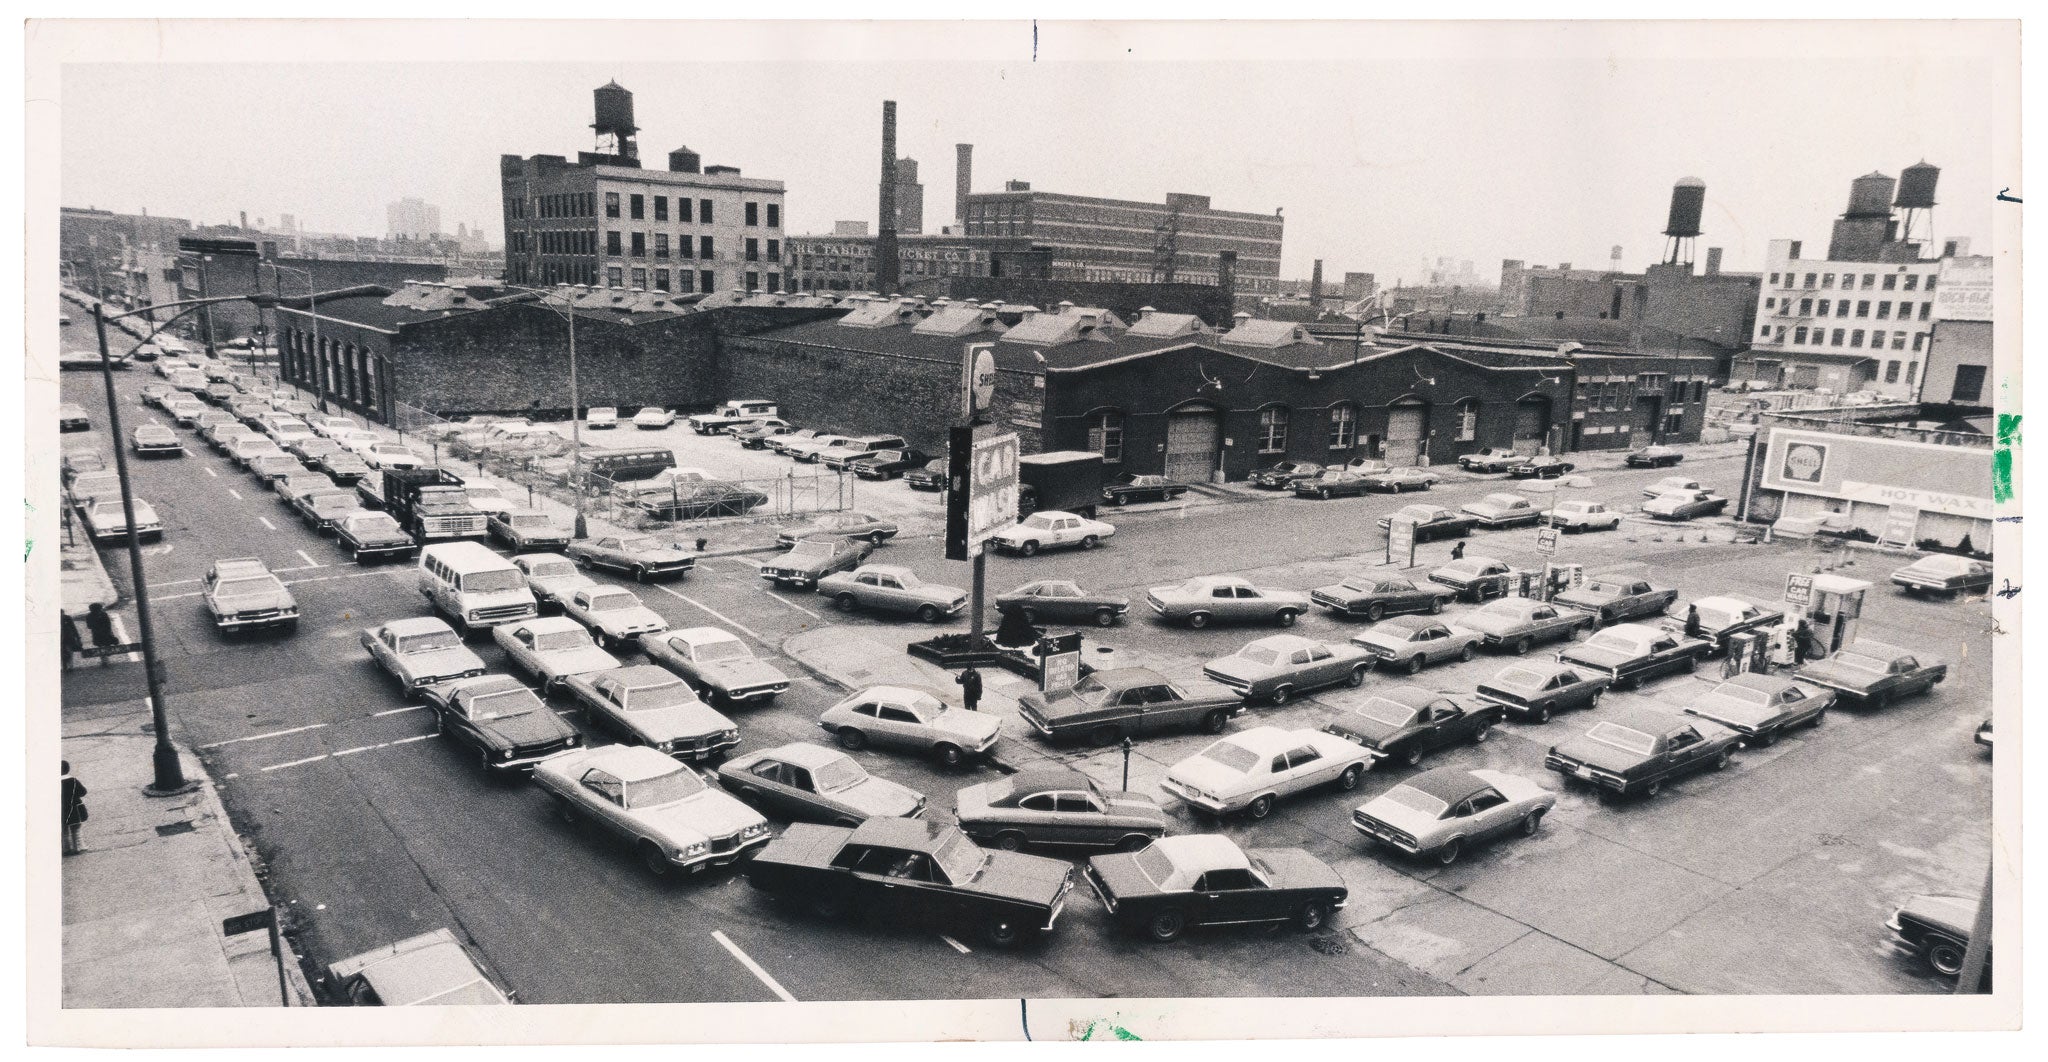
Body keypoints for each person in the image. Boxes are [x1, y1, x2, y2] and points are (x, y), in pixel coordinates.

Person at [61, 761, 88, 856]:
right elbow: (83, 792)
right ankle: (78, 847)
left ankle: (66, 849)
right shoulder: (73, 780)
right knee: (75, 829)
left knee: (64, 830)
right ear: (68, 769)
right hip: (74, 809)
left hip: (61, 810)